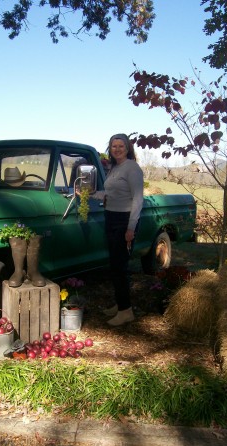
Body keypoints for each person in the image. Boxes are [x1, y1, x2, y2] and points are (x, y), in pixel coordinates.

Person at [102, 133, 144, 326]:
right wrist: (89, 193)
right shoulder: (114, 168)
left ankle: (126, 311)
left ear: (127, 148)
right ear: (110, 148)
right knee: (114, 265)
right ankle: (120, 303)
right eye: (113, 146)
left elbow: (137, 199)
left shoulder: (132, 168)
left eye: (121, 145)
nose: (117, 149)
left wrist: (131, 227)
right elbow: (108, 194)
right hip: (111, 217)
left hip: (124, 220)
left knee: (120, 267)